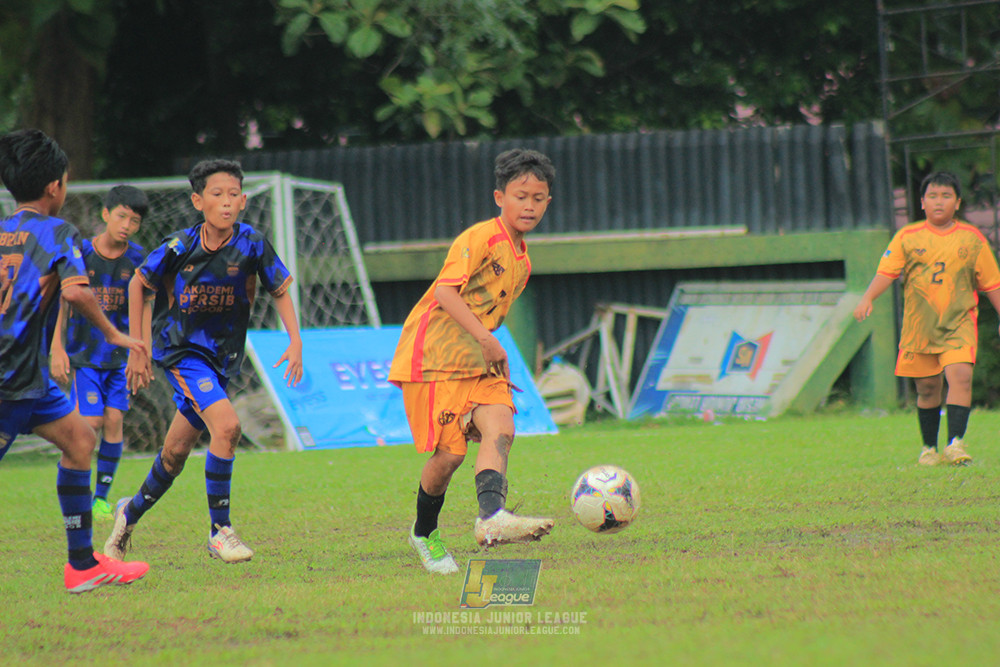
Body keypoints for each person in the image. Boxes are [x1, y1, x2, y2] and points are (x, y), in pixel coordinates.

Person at [104, 158, 303, 564]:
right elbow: (139, 284)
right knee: (227, 427)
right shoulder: (180, 245)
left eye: (233, 195)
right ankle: (220, 531)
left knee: (175, 454)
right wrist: (137, 348)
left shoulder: (252, 244)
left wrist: (295, 341)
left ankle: (129, 514)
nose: (226, 203)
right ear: (198, 201)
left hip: (222, 361)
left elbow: (280, 289)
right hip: (182, 352)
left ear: (244, 200)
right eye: (217, 195)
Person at [389, 148, 556, 575]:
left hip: (477, 362)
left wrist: (491, 354)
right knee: (449, 457)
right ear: (499, 197)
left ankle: (491, 518)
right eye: (521, 196)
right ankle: (424, 533)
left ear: (548, 203)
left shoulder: (523, 261)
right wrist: (486, 341)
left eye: (538, 198)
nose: (530, 205)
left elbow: (485, 318)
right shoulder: (481, 237)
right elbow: (446, 293)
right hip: (433, 358)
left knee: (502, 428)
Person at [0, 129, 150, 592]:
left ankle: (83, 566)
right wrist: (114, 333)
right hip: (8, 377)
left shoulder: (4, 231)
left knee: (81, 443)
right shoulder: (58, 231)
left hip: (33, 379)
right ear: (54, 188)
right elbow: (77, 290)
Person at [854, 171, 1000, 466]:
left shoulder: (972, 239)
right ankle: (929, 448)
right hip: (920, 328)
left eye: (946, 196)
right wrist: (868, 297)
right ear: (922, 202)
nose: (938, 202)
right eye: (932, 196)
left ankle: (956, 444)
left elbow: (992, 283)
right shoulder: (907, 237)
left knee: (961, 376)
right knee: (928, 388)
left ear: (957, 202)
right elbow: (887, 271)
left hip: (958, 323)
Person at [50, 185, 149, 520]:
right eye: (121, 216)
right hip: (84, 355)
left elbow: (144, 304)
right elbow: (63, 300)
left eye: (134, 221)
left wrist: (141, 349)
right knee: (90, 420)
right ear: (106, 214)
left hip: (119, 358)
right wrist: (57, 347)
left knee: (115, 419)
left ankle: (100, 499)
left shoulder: (137, 259)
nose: (126, 225)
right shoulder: (81, 252)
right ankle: (74, 480)